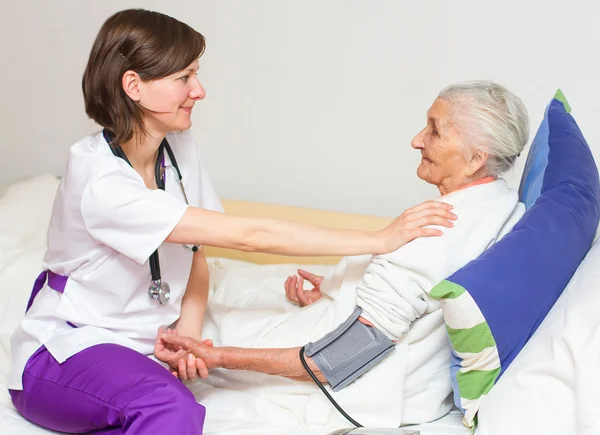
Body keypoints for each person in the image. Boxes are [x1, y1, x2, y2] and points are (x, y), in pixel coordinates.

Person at [6, 8, 455, 435]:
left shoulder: (175, 145)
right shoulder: (99, 181)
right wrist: (379, 238)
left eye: (196, 75)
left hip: (144, 343)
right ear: (133, 85)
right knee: (169, 405)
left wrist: (188, 331)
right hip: (65, 353)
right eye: (184, 77)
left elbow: (197, 250)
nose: (198, 91)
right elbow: (250, 236)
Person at [155, 80, 530, 429]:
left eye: (434, 130)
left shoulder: (437, 232)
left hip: (347, 391)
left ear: (475, 159)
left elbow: (339, 357)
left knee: (196, 335)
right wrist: (341, 291)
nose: (417, 140)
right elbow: (410, 301)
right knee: (214, 312)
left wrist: (219, 357)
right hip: (396, 373)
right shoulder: (501, 207)